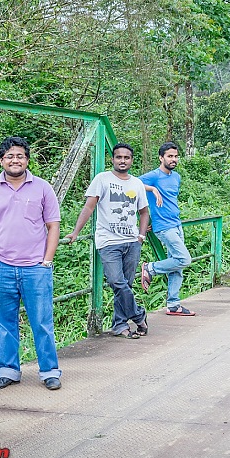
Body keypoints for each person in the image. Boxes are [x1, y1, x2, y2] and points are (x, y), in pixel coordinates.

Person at [0, 136, 62, 391]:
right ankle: (8, 371)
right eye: (9, 156)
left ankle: (49, 371)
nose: (15, 160)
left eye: (20, 156)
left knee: (41, 321)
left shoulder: (42, 188)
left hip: (35, 268)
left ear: (27, 160)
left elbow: (53, 225)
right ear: (1, 161)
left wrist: (46, 261)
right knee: (4, 321)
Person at [65, 142, 150, 339]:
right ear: (112, 159)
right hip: (108, 242)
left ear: (131, 160)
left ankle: (120, 325)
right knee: (116, 282)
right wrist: (76, 232)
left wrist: (141, 236)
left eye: (126, 157)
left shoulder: (136, 183)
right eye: (119, 157)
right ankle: (138, 316)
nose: (122, 160)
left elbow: (144, 212)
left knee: (126, 285)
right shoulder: (102, 179)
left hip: (132, 242)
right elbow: (88, 208)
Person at [139, 142, 195, 316]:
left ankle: (173, 304)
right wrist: (152, 188)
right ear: (161, 158)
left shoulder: (176, 177)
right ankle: (150, 268)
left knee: (176, 266)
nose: (173, 159)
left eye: (176, 156)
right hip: (164, 226)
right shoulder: (154, 176)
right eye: (170, 156)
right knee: (184, 259)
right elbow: (131, 185)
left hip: (176, 223)